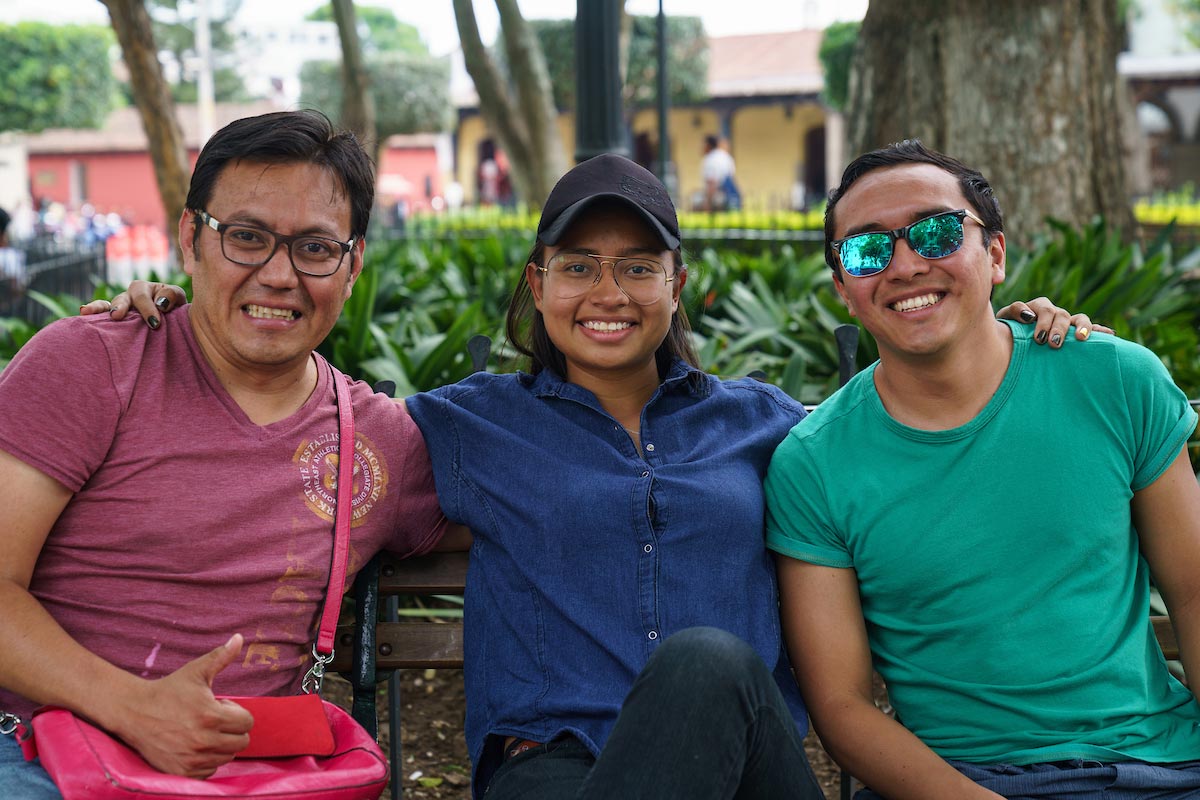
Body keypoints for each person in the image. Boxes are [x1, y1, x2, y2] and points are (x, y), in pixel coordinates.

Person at [98, 153, 1098, 800]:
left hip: (747, 768)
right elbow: (299, 425)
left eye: (636, 265)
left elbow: (912, 426)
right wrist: (174, 320)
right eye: (577, 264)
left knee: (709, 665)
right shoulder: (462, 426)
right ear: (538, 284)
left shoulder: (768, 426)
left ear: (679, 283)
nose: (606, 291)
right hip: (554, 773)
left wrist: (1010, 333)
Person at [0, 110, 460, 799]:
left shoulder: (377, 440)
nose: (278, 275)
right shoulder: (94, 364)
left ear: (353, 263)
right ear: (192, 237)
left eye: (314, 248)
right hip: (44, 760)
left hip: (259, 777)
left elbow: (559, 512)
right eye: (246, 238)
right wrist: (134, 707)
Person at [765, 140, 1200, 800]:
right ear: (843, 288)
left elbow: (1194, 592)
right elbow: (843, 707)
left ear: (994, 254)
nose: (905, 264)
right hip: (957, 784)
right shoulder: (812, 463)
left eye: (936, 232)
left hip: (1155, 769)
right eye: (867, 249)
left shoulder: (1114, 381)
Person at [701, 134, 740, 212]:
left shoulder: (710, 159)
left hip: (719, 200)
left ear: (708, 145)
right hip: (732, 196)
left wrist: (708, 204)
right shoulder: (725, 156)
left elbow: (712, 182)